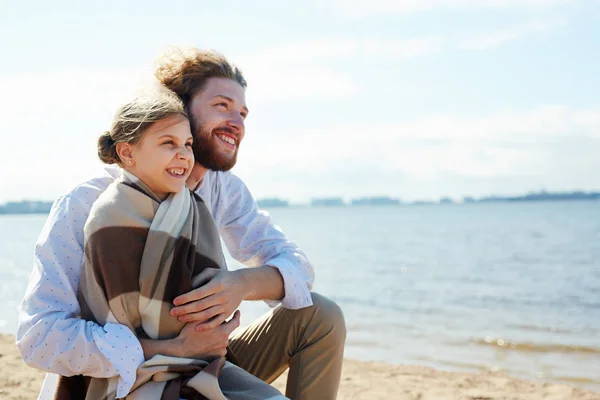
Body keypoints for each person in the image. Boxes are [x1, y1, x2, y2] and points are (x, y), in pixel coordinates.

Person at [17, 47, 346, 400]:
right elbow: (39, 336)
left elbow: (296, 266)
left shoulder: (220, 189)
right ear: (178, 107)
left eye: (243, 113)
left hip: (201, 362)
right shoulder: (89, 203)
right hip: (123, 380)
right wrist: (173, 347)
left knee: (319, 315)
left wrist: (239, 285)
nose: (237, 122)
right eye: (222, 105)